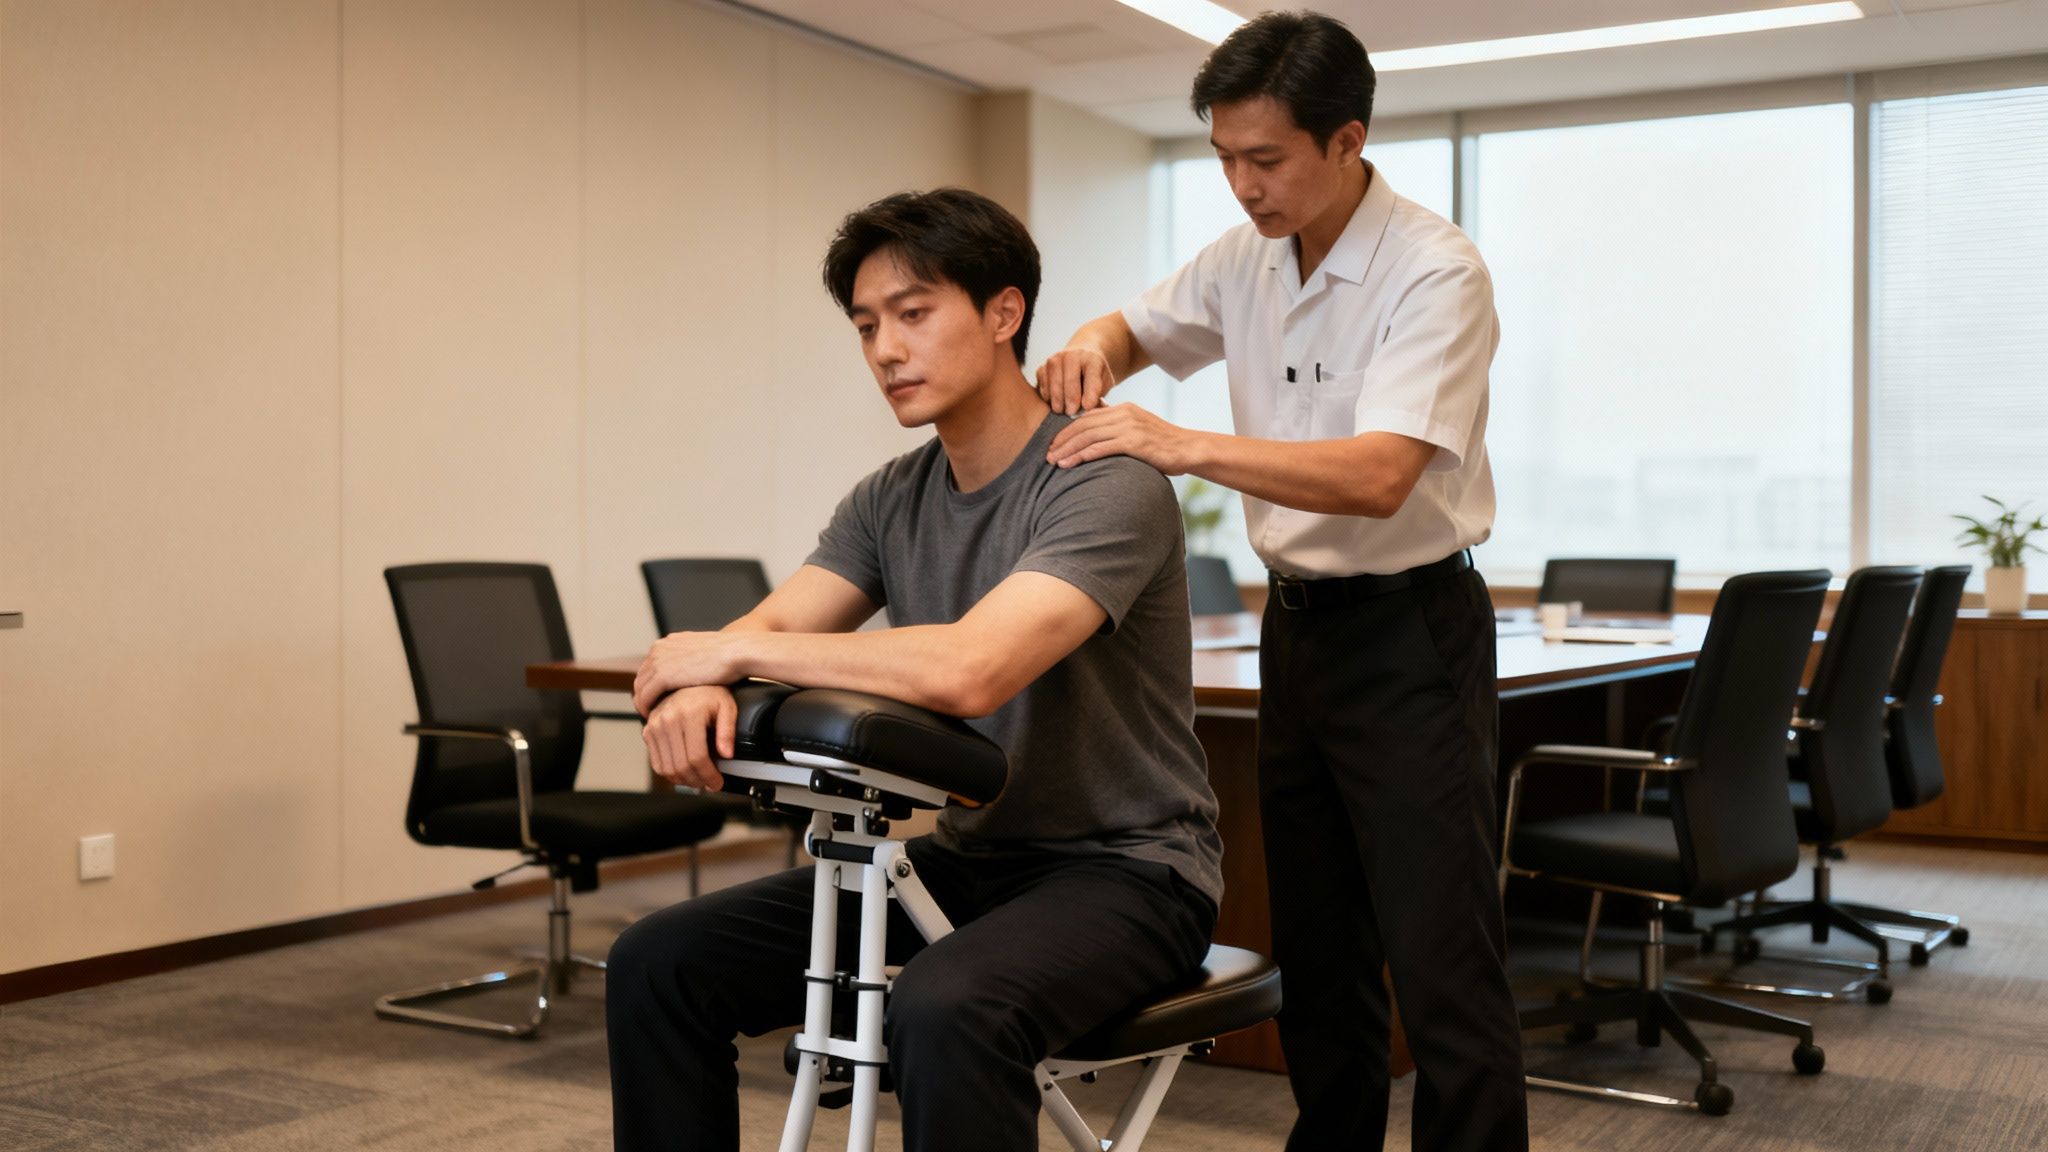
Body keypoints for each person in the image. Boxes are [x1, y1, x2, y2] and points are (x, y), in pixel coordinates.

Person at [606, 187, 1223, 1152]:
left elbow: (975, 668)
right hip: (970, 862)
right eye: (865, 327)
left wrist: (730, 653)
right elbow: (775, 620)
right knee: (658, 960)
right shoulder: (890, 496)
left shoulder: (1107, 480)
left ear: (1004, 314)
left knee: (943, 1008)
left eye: (913, 313)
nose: (885, 350)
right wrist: (697, 678)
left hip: (1131, 874)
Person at [1035, 11, 1527, 1151]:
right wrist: (1090, 351)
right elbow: (1131, 324)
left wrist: (1181, 443)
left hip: (1411, 632)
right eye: (1222, 159)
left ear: (1345, 140)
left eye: (1264, 160)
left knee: (1438, 950)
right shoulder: (1242, 257)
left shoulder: (1433, 270)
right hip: (1298, 634)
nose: (1241, 185)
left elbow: (1376, 475)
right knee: (1319, 937)